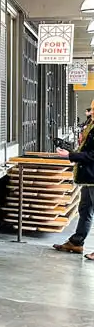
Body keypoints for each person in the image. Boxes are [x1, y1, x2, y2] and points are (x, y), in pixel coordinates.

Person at [54, 99, 94, 259]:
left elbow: (92, 155)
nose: (91, 112)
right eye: (91, 109)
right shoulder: (90, 126)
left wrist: (70, 155)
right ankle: (76, 242)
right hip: (88, 177)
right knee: (85, 209)